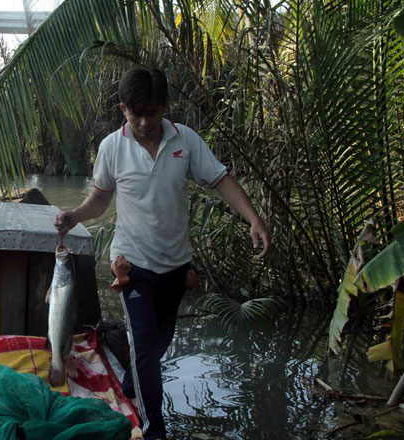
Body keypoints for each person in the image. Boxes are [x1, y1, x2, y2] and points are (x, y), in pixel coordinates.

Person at [54, 67, 270, 440]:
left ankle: (135, 385)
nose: (142, 122)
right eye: (134, 113)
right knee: (143, 350)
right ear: (123, 108)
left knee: (158, 345)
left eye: (150, 113)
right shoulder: (112, 147)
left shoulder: (185, 140)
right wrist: (74, 216)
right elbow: (102, 198)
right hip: (131, 265)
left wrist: (254, 219)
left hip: (175, 264)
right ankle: (155, 429)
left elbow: (220, 179)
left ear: (164, 107)